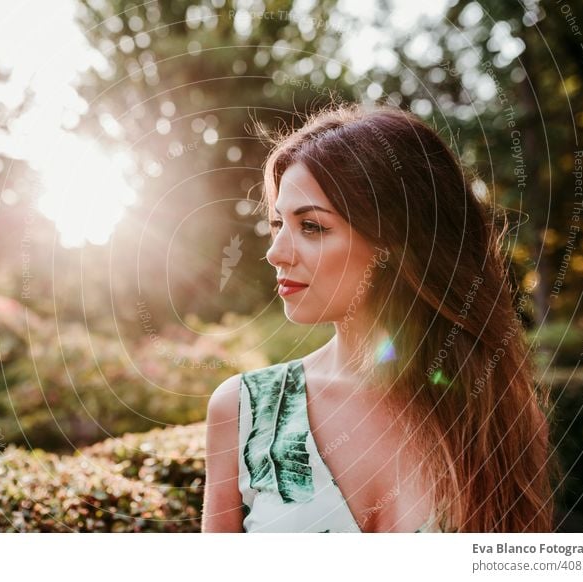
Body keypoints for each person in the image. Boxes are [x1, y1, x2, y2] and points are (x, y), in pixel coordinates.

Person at [201, 102, 555, 533]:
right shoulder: (246, 410)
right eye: (278, 225)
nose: (275, 253)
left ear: (397, 243)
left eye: (311, 226)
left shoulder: (490, 407)